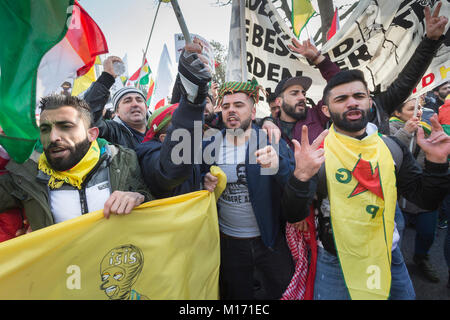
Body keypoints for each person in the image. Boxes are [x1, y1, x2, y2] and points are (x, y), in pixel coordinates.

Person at [297, 69, 449, 300]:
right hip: (336, 259)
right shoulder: (317, 155)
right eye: (341, 99)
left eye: (358, 96)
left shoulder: (391, 148)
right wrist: (299, 177)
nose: (351, 103)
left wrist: (437, 163)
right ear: (326, 109)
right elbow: (292, 212)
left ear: (369, 100)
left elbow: (426, 200)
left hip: (387, 254)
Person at [202, 79, 298, 300]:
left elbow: (294, 184)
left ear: (253, 111)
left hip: (270, 241)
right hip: (229, 244)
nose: (231, 111)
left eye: (238, 105)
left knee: (282, 293)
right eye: (226, 106)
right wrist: (203, 181)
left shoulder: (270, 140)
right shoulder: (210, 147)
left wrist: (279, 166)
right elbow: (192, 183)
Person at [0, 94, 152, 232]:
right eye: (45, 129)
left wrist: (139, 198)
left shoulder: (123, 160)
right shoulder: (26, 172)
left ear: (92, 134)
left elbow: (155, 205)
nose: (53, 138)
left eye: (66, 127)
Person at [389, 97, 440, 282]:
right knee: (396, 236)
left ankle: (421, 258)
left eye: (419, 108)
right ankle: (394, 267)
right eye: (411, 109)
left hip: (423, 190)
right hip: (401, 194)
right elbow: (388, 154)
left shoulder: (427, 126)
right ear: (397, 113)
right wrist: (406, 132)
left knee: (427, 232)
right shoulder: (390, 128)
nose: (417, 112)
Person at [82, 56, 149, 149]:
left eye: (139, 100)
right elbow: (87, 116)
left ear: (146, 107)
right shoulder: (112, 132)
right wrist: (107, 77)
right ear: (117, 111)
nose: (135, 104)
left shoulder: (160, 128)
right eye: (127, 101)